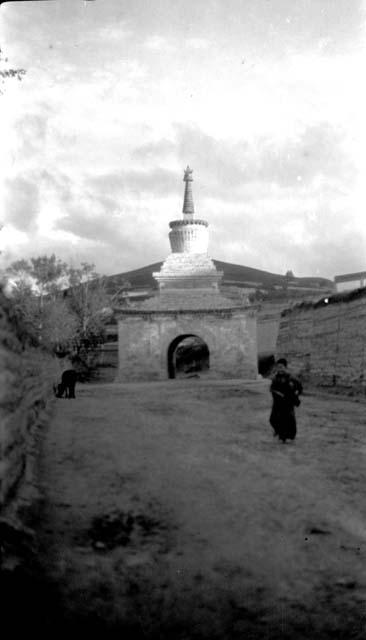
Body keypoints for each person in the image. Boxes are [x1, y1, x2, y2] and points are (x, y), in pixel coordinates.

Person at [269, 358, 302, 443]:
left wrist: (296, 394)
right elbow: (272, 388)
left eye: (281, 367)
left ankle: (284, 437)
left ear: (285, 367)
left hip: (287, 403)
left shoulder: (291, 378)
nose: (280, 369)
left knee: (287, 420)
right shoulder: (275, 378)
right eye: (278, 367)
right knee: (273, 419)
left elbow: (299, 387)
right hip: (277, 403)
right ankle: (278, 432)